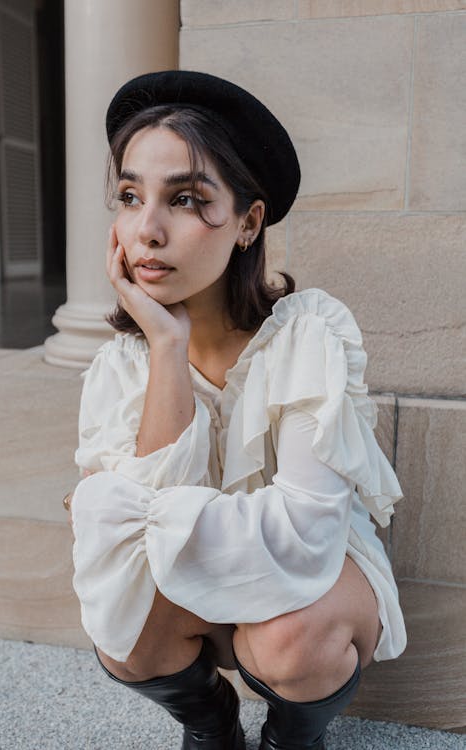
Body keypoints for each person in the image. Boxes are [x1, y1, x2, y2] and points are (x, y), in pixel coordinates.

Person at [66, 70, 407, 750]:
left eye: (186, 199)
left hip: (308, 583)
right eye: (131, 196)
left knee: (288, 640)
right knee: (122, 631)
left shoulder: (308, 337)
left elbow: (303, 535)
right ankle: (210, 722)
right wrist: (166, 345)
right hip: (205, 572)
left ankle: (291, 734)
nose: (148, 230)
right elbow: (129, 552)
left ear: (249, 222)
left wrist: (121, 512)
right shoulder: (122, 365)